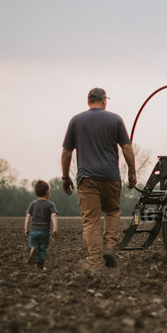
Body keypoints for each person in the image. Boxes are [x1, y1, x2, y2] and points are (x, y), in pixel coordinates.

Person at [62, 87, 136, 272]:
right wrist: (132, 172)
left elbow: (66, 152)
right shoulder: (115, 119)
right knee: (112, 211)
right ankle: (110, 247)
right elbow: (127, 147)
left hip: (87, 178)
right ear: (104, 101)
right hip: (111, 176)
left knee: (91, 221)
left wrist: (65, 177)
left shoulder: (76, 121)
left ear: (88, 101)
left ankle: (96, 265)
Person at [25, 179, 58, 270]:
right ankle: (40, 265)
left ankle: (32, 249)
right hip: (44, 231)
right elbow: (54, 216)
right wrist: (55, 228)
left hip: (33, 230)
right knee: (43, 248)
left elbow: (28, 217)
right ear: (47, 192)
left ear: (36, 192)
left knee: (33, 244)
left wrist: (26, 229)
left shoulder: (33, 204)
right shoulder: (51, 204)